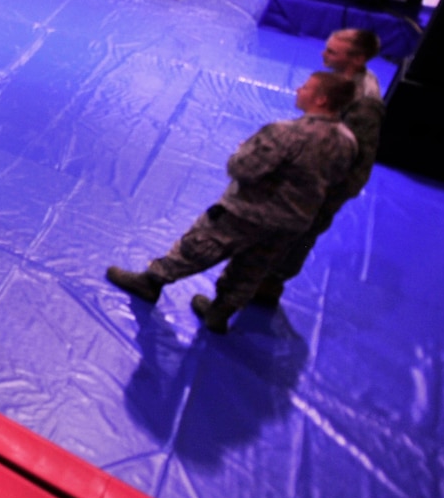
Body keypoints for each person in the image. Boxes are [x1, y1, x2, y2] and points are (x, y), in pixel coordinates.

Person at [106, 71, 359, 332]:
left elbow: (244, 169)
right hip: (293, 222)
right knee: (253, 268)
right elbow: (336, 180)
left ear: (321, 99)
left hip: (249, 212)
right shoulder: (348, 141)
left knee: (199, 247)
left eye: (306, 88)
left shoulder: (286, 133)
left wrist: (243, 151)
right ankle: (220, 312)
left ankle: (151, 281)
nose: (298, 90)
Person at [256, 30, 385, 305]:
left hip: (324, 185)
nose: (323, 55)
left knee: (299, 233)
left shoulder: (364, 103)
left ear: (357, 58)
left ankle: (266, 284)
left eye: (331, 52)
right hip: (312, 173)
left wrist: (326, 195)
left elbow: (358, 158)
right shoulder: (344, 82)